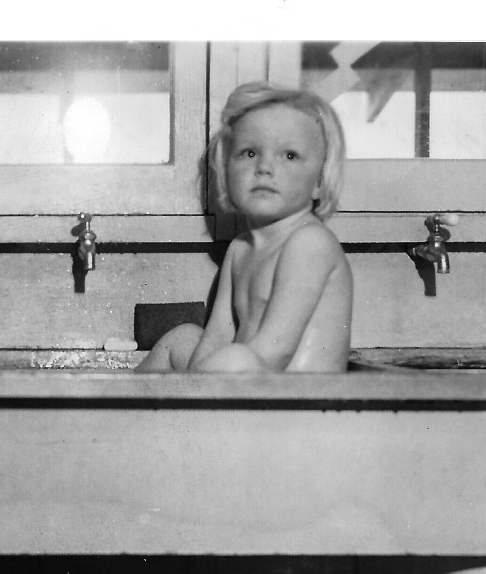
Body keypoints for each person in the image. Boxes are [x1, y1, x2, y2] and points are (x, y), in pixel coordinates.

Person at [137, 81, 352, 373]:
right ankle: (112, 415)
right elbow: (216, 337)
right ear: (226, 172)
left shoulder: (309, 242)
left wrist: (193, 388)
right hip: (253, 389)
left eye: (289, 155)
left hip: (299, 405)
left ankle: (182, 409)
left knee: (237, 358)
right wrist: (195, 381)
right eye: (249, 153)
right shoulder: (240, 250)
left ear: (319, 181)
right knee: (184, 337)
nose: (264, 167)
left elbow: (274, 350)